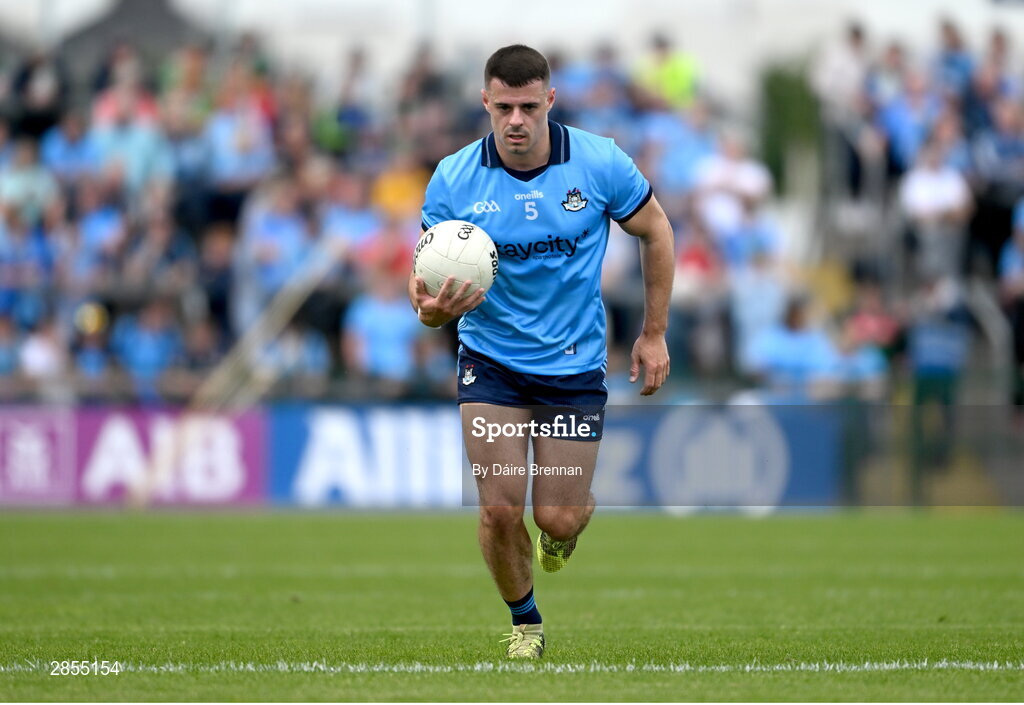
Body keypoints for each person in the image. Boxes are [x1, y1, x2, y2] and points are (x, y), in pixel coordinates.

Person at [410, 45, 673, 659]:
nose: (517, 120)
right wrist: (429, 313)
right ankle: (525, 625)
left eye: (529, 106)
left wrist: (654, 331)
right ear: (486, 103)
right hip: (491, 359)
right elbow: (421, 279)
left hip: (574, 364)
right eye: (504, 107)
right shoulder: (453, 178)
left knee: (558, 518)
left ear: (550, 101)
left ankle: (565, 527)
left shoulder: (599, 161)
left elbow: (657, 229)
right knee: (500, 510)